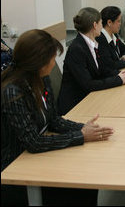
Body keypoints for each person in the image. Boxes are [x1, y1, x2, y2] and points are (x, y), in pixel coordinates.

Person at [1, 29, 114, 205]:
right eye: (52, 59)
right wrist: (81, 136)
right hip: (15, 169)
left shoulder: (42, 79)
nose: (54, 64)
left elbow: (54, 119)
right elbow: (33, 142)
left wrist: (83, 128)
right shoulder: (12, 92)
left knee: (88, 182)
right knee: (79, 190)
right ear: (38, 62)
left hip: (37, 157)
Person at [58, 7, 125, 116]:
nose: (102, 27)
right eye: (101, 23)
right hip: (75, 106)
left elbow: (101, 70)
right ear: (94, 25)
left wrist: (120, 75)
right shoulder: (77, 49)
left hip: (89, 97)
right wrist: (118, 80)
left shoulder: (91, 43)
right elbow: (88, 84)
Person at [96, 6, 125, 72]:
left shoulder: (114, 35)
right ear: (109, 22)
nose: (120, 24)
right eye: (118, 21)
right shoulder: (100, 39)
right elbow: (109, 64)